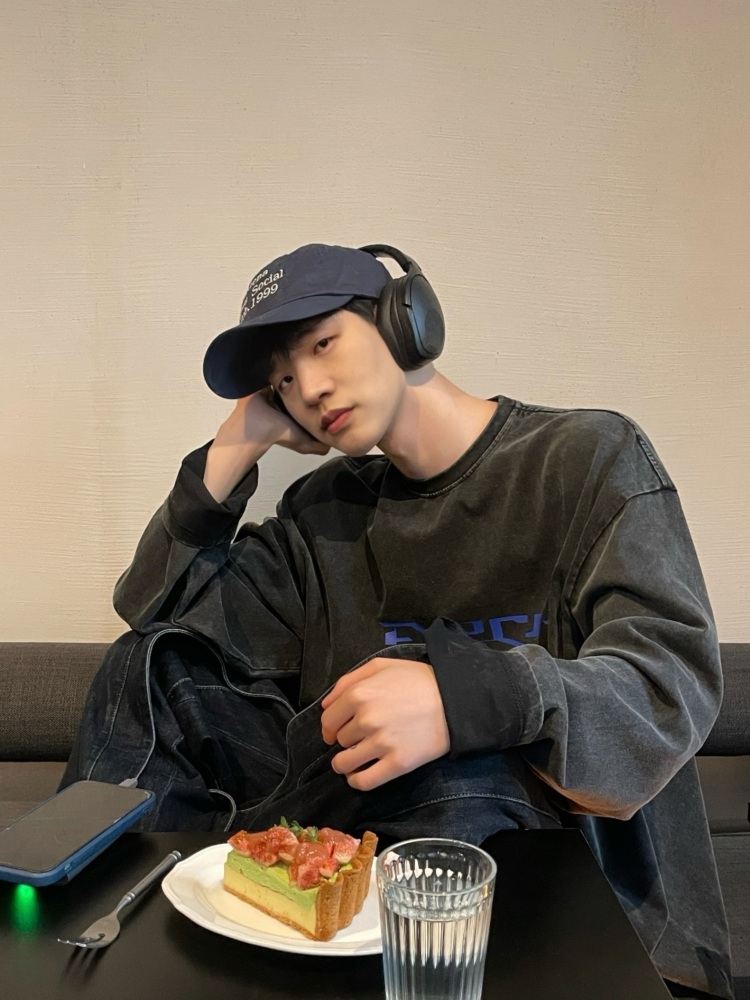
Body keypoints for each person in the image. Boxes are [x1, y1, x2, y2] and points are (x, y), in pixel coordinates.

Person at [60, 243, 733, 999]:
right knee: (151, 665)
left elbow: (669, 690)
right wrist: (234, 445)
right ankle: (100, 953)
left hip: (569, 906)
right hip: (357, 900)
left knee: (449, 754)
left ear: (404, 320)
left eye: (322, 343)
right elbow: (155, 614)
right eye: (283, 379)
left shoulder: (585, 460)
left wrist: (463, 699)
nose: (309, 388)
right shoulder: (324, 514)